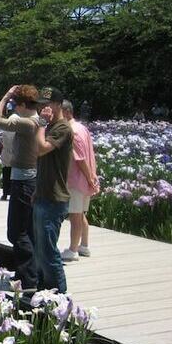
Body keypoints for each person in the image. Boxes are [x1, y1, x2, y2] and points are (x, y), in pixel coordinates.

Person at [0, 85, 42, 291]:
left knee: (16, 232)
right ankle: (28, 275)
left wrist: (5, 96)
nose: (12, 106)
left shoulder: (27, 124)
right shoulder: (40, 121)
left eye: (14, 104)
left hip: (23, 181)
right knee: (27, 230)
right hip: (32, 179)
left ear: (21, 105)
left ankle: (28, 281)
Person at [33, 86, 74, 293]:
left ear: (58, 105)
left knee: (49, 251)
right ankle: (44, 291)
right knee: (39, 250)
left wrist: (41, 123)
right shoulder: (48, 126)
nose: (43, 108)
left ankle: (60, 296)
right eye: (41, 104)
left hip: (54, 198)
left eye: (48, 104)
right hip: (41, 195)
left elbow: (41, 149)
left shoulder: (62, 128)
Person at [61, 100, 99, 261]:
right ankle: (84, 246)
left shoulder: (72, 131)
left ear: (67, 112)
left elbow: (80, 158)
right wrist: (92, 177)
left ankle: (73, 249)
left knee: (75, 215)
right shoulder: (82, 128)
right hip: (84, 179)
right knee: (81, 213)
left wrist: (90, 177)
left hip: (77, 179)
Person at [0, 129, 15, 200]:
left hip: (5, 155)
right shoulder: (17, 131)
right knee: (13, 178)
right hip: (14, 156)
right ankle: (12, 194)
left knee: (5, 176)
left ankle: (5, 194)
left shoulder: (5, 131)